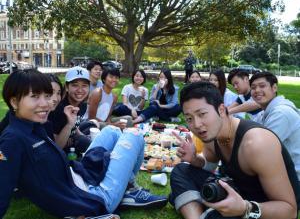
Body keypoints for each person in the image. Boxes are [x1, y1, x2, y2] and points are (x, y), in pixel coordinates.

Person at [0, 69, 168, 218]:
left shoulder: (37, 126)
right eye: (35, 97)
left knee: (112, 131)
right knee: (134, 135)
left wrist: (71, 125)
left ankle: (126, 189)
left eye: (47, 95)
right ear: (14, 102)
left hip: (83, 177)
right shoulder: (13, 139)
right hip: (93, 199)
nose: (45, 103)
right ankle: (128, 190)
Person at [169, 81, 300, 219]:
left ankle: (200, 207)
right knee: (181, 171)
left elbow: (289, 211)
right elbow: (210, 164)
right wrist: (194, 159)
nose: (196, 124)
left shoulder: (257, 143)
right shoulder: (211, 134)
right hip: (235, 191)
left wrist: (245, 208)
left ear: (221, 110)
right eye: (189, 118)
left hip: (262, 208)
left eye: (202, 114)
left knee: (194, 203)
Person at [250, 71, 300, 181]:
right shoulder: (264, 112)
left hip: (294, 179)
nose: (257, 90)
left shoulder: (280, 113)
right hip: (283, 172)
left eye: (262, 86)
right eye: (253, 87)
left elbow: (261, 151)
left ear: (274, 88)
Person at [48, 66, 92, 154]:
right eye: (75, 85)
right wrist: (69, 127)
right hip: (60, 147)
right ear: (67, 87)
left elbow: (75, 127)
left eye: (84, 86)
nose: (80, 90)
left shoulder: (82, 105)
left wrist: (84, 137)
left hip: (71, 137)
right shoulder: (57, 109)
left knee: (91, 127)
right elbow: (57, 146)